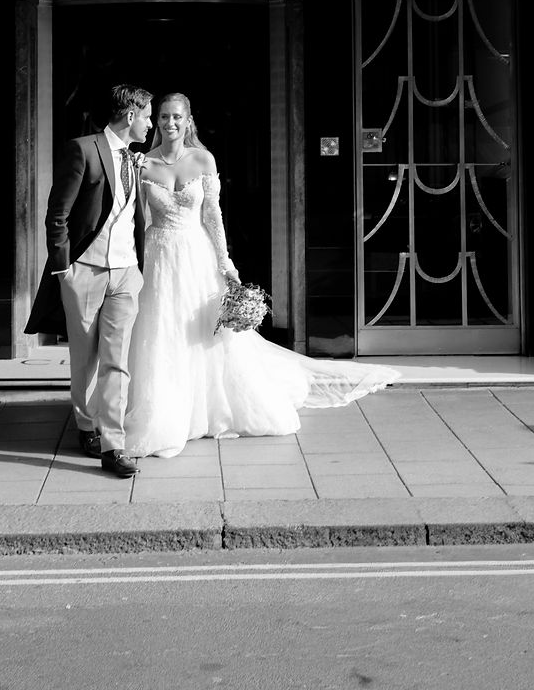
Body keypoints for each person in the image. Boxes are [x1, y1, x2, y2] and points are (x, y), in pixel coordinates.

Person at [125, 92, 398, 459]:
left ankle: (207, 407)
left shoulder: (202, 159)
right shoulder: (143, 164)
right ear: (156, 120)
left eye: (176, 116)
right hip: (160, 258)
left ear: (189, 120)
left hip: (196, 255)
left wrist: (225, 263)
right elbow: (137, 221)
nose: (169, 123)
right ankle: (167, 409)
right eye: (162, 116)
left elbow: (212, 217)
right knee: (163, 331)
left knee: (204, 334)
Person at [25, 83, 153, 477]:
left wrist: (138, 269)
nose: (150, 124)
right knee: (85, 358)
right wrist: (64, 268)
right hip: (84, 271)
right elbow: (57, 214)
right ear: (130, 116)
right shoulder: (83, 150)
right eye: (148, 115)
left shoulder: (137, 159)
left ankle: (114, 445)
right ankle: (84, 423)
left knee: (118, 359)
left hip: (126, 273)